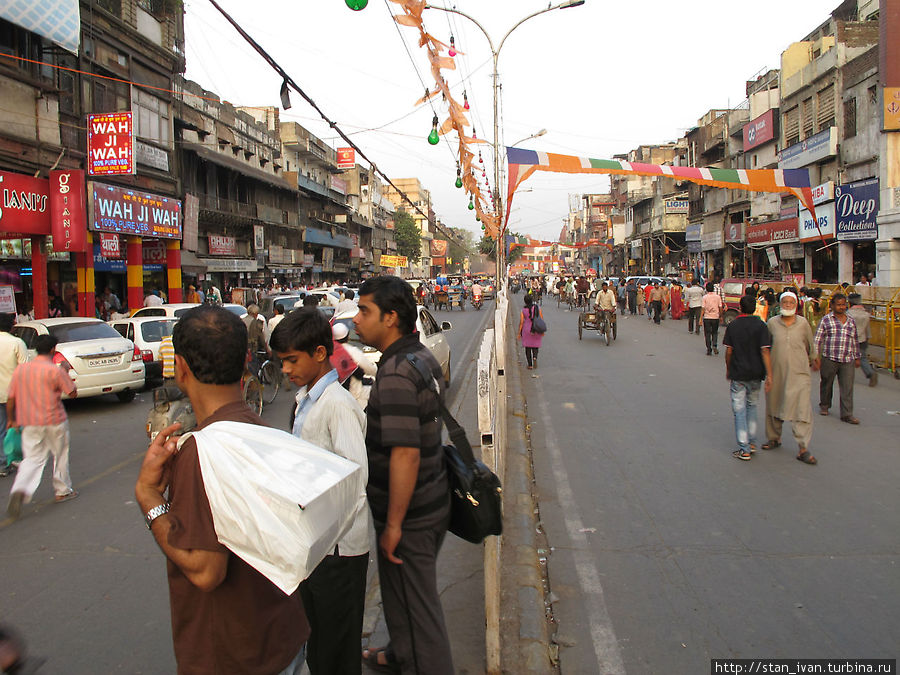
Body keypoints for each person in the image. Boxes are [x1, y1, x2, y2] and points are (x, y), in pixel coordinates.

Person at [134, 305, 309, 673]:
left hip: (236, 657)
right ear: (245, 360)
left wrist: (150, 499)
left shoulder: (202, 451)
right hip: (281, 636)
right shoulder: (262, 430)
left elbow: (206, 570)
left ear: (181, 368)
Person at [352, 276, 453, 675]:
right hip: (432, 496)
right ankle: (400, 654)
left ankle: (422, 661)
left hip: (411, 514)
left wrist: (394, 523)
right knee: (399, 597)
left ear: (391, 318)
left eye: (365, 311)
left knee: (419, 610)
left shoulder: (395, 373)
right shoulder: (420, 356)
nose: (357, 320)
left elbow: (406, 454)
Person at [270, 308, 369, 675]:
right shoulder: (304, 402)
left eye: (291, 361)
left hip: (338, 549)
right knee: (318, 642)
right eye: (281, 363)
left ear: (319, 354)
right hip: (315, 545)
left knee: (335, 649)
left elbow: (355, 479)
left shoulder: (337, 406)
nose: (285, 371)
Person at [6, 334, 78, 519]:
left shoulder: (21, 370)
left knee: (32, 459)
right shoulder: (55, 371)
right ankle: (62, 490)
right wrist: (65, 370)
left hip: (29, 421)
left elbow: (11, 398)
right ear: (53, 349)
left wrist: (11, 419)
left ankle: (20, 489)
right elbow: (72, 393)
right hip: (54, 420)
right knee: (60, 454)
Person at [764, 292, 819, 465]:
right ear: (781, 304)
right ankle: (774, 438)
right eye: (785, 302)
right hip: (777, 373)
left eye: (791, 302)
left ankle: (803, 448)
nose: (787, 305)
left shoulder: (803, 324)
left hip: (799, 374)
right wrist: (767, 373)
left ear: (796, 304)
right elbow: (765, 348)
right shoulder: (772, 323)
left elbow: (810, 346)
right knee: (774, 405)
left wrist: (814, 359)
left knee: (802, 410)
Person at [723, 296, 772, 460]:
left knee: (739, 410)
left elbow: (729, 351)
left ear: (740, 307)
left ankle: (744, 448)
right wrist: (769, 374)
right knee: (752, 407)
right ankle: (751, 443)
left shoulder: (733, 325)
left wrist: (729, 369)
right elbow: (765, 351)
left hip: (738, 373)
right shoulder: (761, 325)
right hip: (756, 373)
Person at [814, 293, 861, 424]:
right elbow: (817, 339)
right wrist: (815, 357)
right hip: (829, 357)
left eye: (843, 304)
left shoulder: (851, 321)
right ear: (832, 305)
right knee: (826, 383)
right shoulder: (826, 320)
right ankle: (824, 405)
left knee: (847, 387)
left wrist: (857, 357)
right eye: (839, 305)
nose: (842, 307)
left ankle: (847, 414)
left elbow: (855, 340)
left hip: (847, 359)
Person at [0, 315, 27, 477]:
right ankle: (16, 458)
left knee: (1, 428)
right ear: (11, 326)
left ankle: (3, 464)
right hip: (13, 394)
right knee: (17, 426)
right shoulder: (17, 343)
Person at [332, 322, 377, 408]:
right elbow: (371, 370)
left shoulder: (327, 353)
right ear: (348, 336)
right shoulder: (353, 352)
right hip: (354, 398)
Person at [847, 293, 877, 387]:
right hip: (863, 339)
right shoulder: (866, 314)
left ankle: (847, 377)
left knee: (848, 358)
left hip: (851, 339)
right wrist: (867, 338)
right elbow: (867, 329)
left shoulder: (848, 314)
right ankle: (870, 373)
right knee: (863, 358)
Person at [518, 294, 544, 370]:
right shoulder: (537, 308)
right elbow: (541, 318)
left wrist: (519, 332)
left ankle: (530, 365)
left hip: (526, 329)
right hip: (536, 328)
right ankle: (535, 357)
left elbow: (522, 322)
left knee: (528, 348)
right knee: (535, 345)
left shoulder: (523, 310)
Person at [701, 282, 724, 355]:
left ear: (707, 289)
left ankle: (709, 348)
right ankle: (714, 345)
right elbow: (720, 307)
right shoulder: (717, 297)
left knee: (707, 333)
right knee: (714, 332)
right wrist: (721, 316)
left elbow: (703, 308)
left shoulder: (705, 297)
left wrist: (700, 319)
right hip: (715, 317)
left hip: (707, 317)